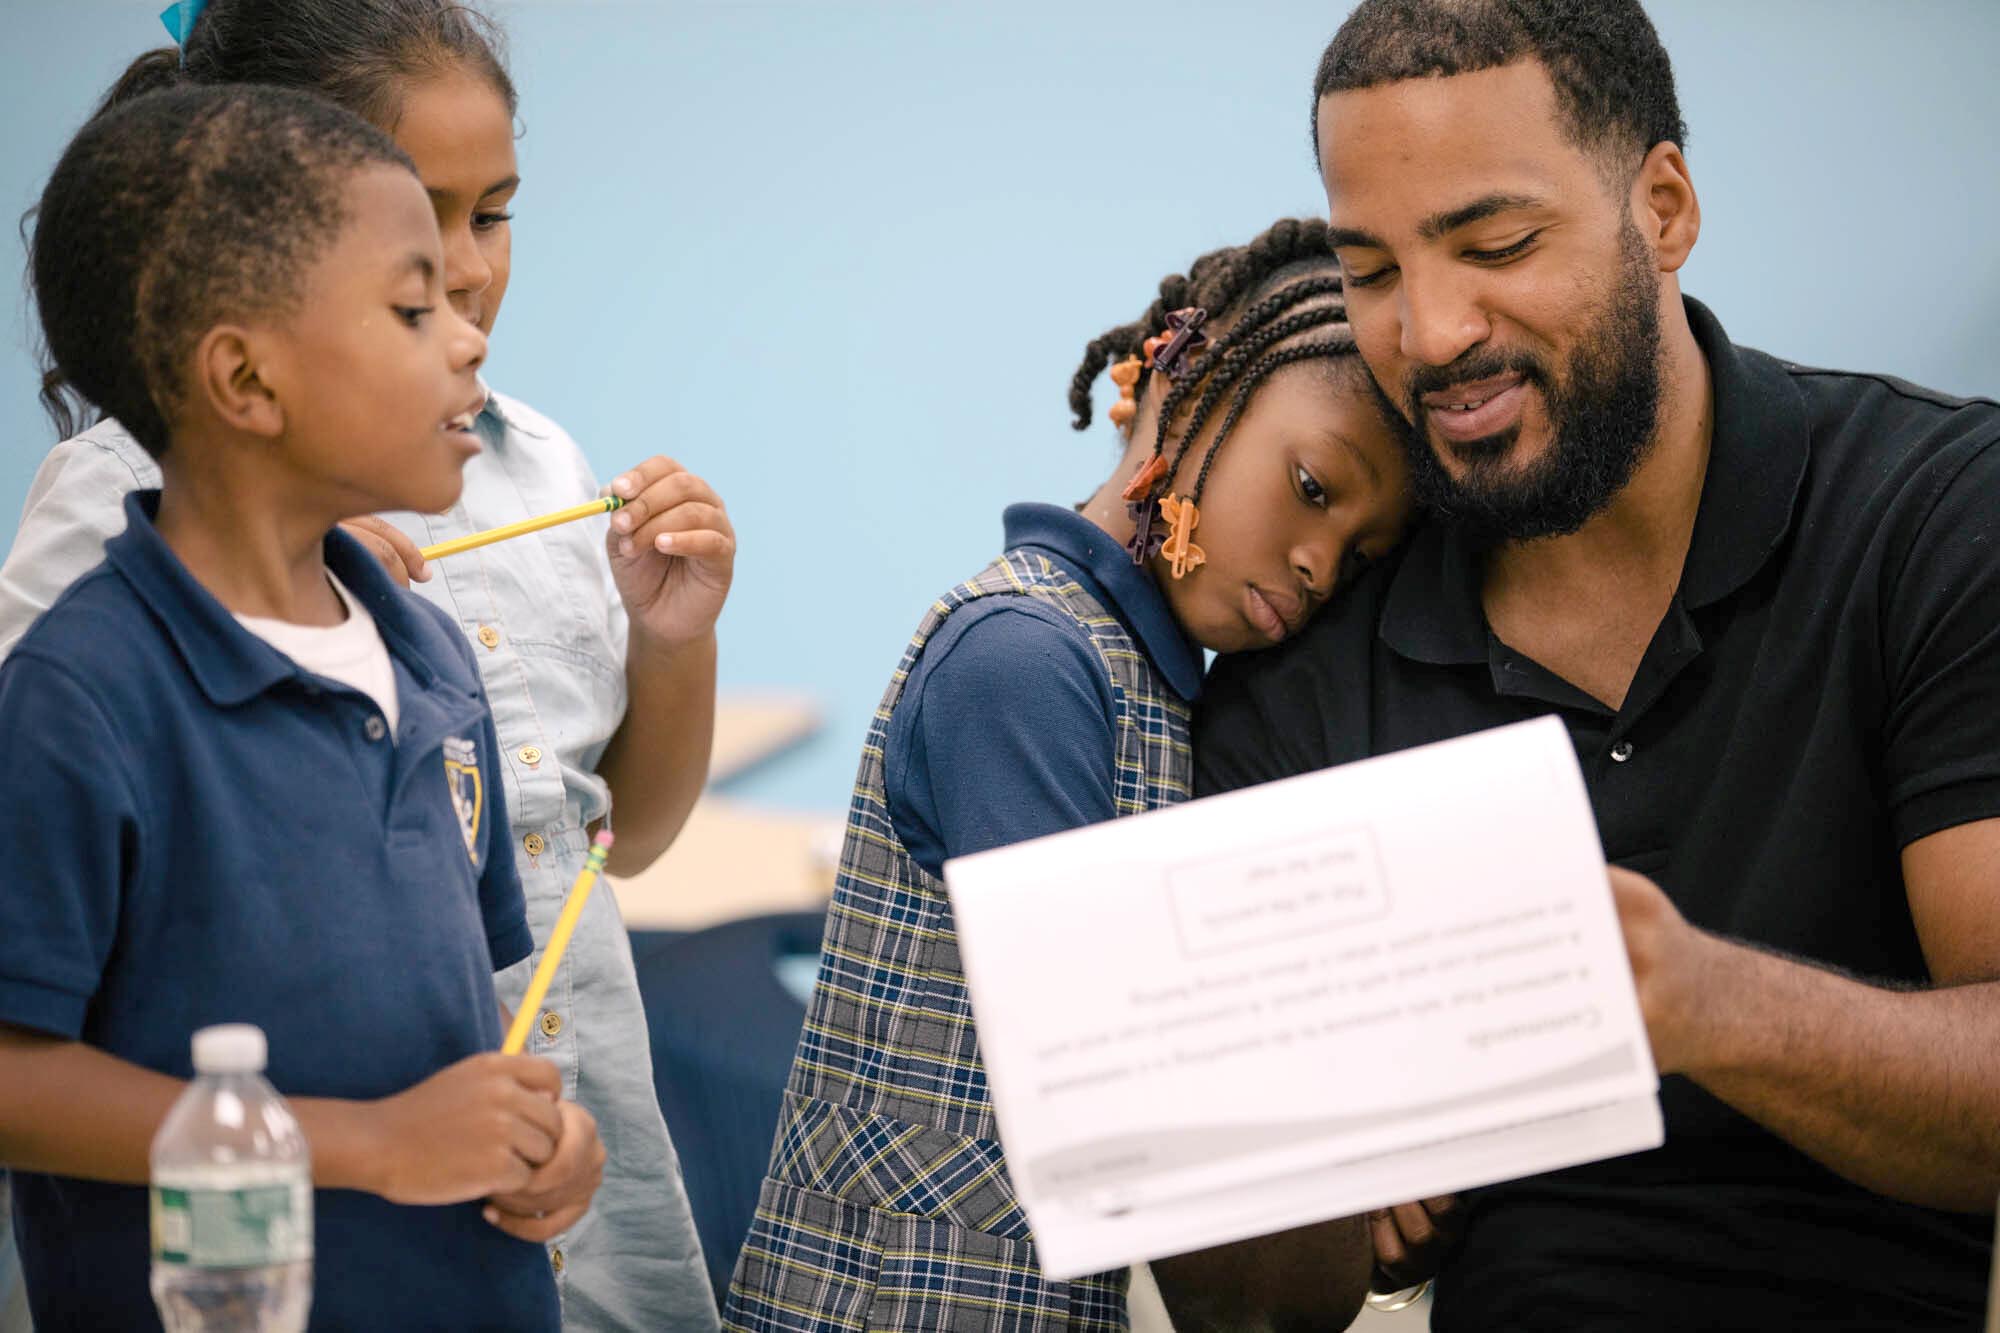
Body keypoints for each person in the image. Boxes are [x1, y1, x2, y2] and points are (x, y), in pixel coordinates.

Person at [1179, 1, 2000, 1328]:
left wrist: (1703, 1004)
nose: (1430, 334)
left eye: (1495, 243)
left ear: (1664, 208)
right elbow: (1252, 1307)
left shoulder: (1937, 516)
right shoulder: (1308, 662)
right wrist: (1326, 1167)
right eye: (1373, 271)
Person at [0, 4, 727, 1325]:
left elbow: (578, 880)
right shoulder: (94, 641)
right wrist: (378, 1141)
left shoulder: (446, 611)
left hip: (552, 1265)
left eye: (491, 215)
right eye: (407, 285)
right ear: (245, 371)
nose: (467, 304)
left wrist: (675, 642)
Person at [723, 217, 1407, 1332]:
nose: (1317, 563)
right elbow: (1109, 1071)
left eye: (1359, 554)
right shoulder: (1025, 658)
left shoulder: (1158, 691)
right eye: (1312, 488)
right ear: (1182, 385)